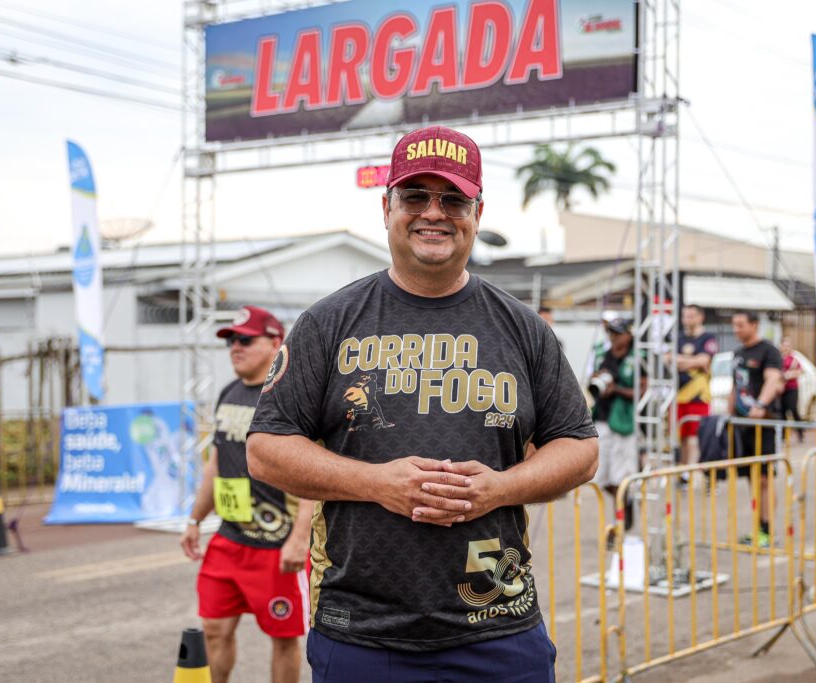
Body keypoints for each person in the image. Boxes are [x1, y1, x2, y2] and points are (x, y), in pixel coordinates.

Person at [246, 125, 598, 682]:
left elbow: (578, 447)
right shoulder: (328, 323)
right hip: (362, 630)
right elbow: (266, 448)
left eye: (453, 198)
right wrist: (377, 483)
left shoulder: (524, 330)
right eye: (415, 196)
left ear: (477, 212)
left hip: (497, 626)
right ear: (386, 208)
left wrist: (499, 489)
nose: (434, 212)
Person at [179, 305, 314, 683]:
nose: (235, 348)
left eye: (245, 340)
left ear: (275, 343)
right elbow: (216, 464)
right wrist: (194, 520)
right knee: (213, 630)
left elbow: (310, 474)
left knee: (283, 639)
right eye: (231, 341)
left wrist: (299, 539)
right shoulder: (228, 393)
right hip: (229, 540)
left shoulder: (291, 398)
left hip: (276, 545)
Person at [729, 311, 783, 549]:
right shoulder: (738, 354)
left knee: (764, 479)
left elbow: (773, 380)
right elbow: (735, 386)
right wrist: (728, 416)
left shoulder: (768, 350)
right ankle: (758, 526)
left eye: (740, 325)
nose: (736, 330)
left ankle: (767, 530)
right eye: (734, 325)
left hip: (764, 425)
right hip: (742, 426)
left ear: (754, 325)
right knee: (751, 479)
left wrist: (761, 405)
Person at [589, 318, 639, 545]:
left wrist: (615, 389)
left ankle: (617, 528)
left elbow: (643, 390)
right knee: (601, 478)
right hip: (601, 418)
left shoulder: (640, 357)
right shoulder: (603, 354)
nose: (613, 337)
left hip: (624, 423)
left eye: (617, 333)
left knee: (621, 477)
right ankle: (626, 503)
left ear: (629, 334)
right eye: (610, 333)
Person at [674, 304, 718, 467]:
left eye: (691, 316)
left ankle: (698, 470)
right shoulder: (678, 337)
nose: (687, 320)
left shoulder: (708, 338)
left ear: (700, 317)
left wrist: (682, 361)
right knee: (682, 437)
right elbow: (668, 358)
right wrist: (692, 361)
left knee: (697, 437)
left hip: (699, 396)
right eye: (685, 316)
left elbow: (704, 360)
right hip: (679, 395)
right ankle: (684, 471)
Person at [779, 336, 806, 443]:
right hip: (781, 389)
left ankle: (800, 432)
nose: (786, 348)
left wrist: (788, 375)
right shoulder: (779, 358)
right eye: (784, 345)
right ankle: (783, 436)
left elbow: (799, 371)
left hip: (792, 388)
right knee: (782, 412)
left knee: (793, 409)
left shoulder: (794, 359)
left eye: (788, 346)